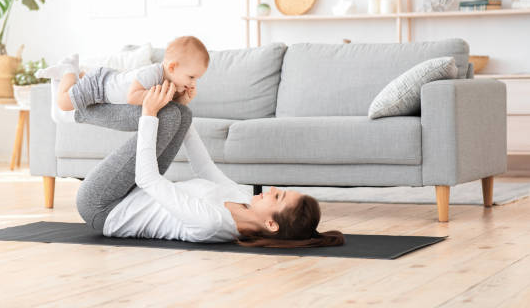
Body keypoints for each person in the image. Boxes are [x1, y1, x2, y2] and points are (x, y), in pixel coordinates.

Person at [73, 78, 345, 248]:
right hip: (133, 191)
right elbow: (205, 169)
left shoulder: (212, 223)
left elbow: (149, 180)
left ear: (271, 225)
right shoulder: (244, 200)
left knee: (165, 115)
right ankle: (82, 108)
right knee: (177, 112)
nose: (272, 188)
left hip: (105, 208)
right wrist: (186, 111)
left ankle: (78, 109)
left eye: (279, 196)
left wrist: (148, 112)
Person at [35, 35, 210, 123]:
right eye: (191, 77)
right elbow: (132, 97)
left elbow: (169, 105)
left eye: (197, 79)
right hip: (99, 85)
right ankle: (68, 70)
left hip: (108, 80)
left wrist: (183, 99)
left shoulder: (174, 83)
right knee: (64, 103)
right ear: (172, 67)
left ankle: (81, 75)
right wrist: (155, 96)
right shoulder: (151, 74)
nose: (193, 83)